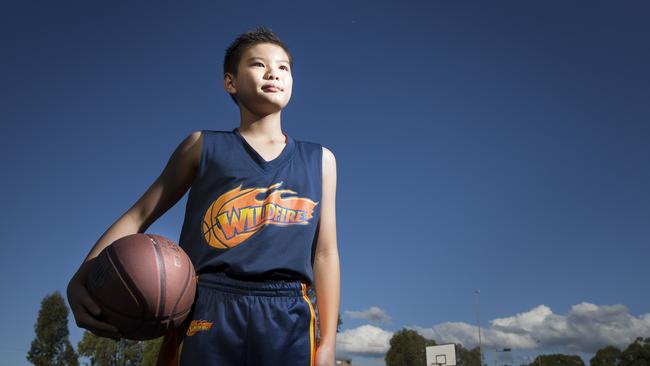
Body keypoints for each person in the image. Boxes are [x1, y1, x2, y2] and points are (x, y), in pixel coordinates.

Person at [66, 26, 340, 366]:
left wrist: (327, 343)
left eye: (283, 67)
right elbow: (139, 215)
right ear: (230, 82)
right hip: (207, 306)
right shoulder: (202, 146)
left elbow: (325, 253)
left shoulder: (320, 159)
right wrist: (80, 278)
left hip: (288, 311)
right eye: (257, 64)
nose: (273, 72)